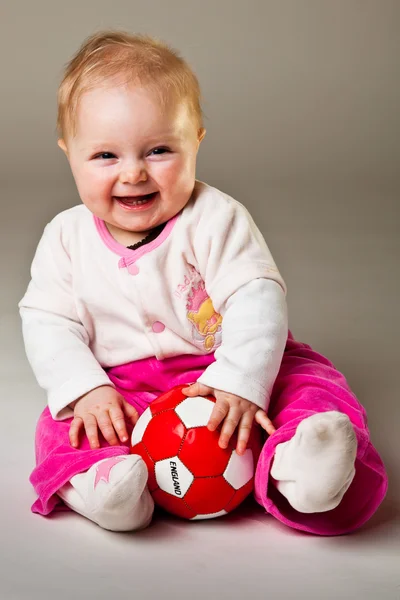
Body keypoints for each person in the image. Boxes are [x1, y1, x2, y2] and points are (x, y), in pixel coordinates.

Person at [18, 30, 387, 535]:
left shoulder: (217, 218)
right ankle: (101, 485)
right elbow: (47, 321)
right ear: (69, 152)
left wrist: (240, 380)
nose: (133, 174)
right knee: (66, 424)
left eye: (159, 150)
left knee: (311, 385)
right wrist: (86, 389)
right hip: (124, 387)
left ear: (196, 141)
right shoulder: (65, 236)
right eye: (106, 156)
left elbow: (256, 297)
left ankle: (302, 464)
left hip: (225, 362)